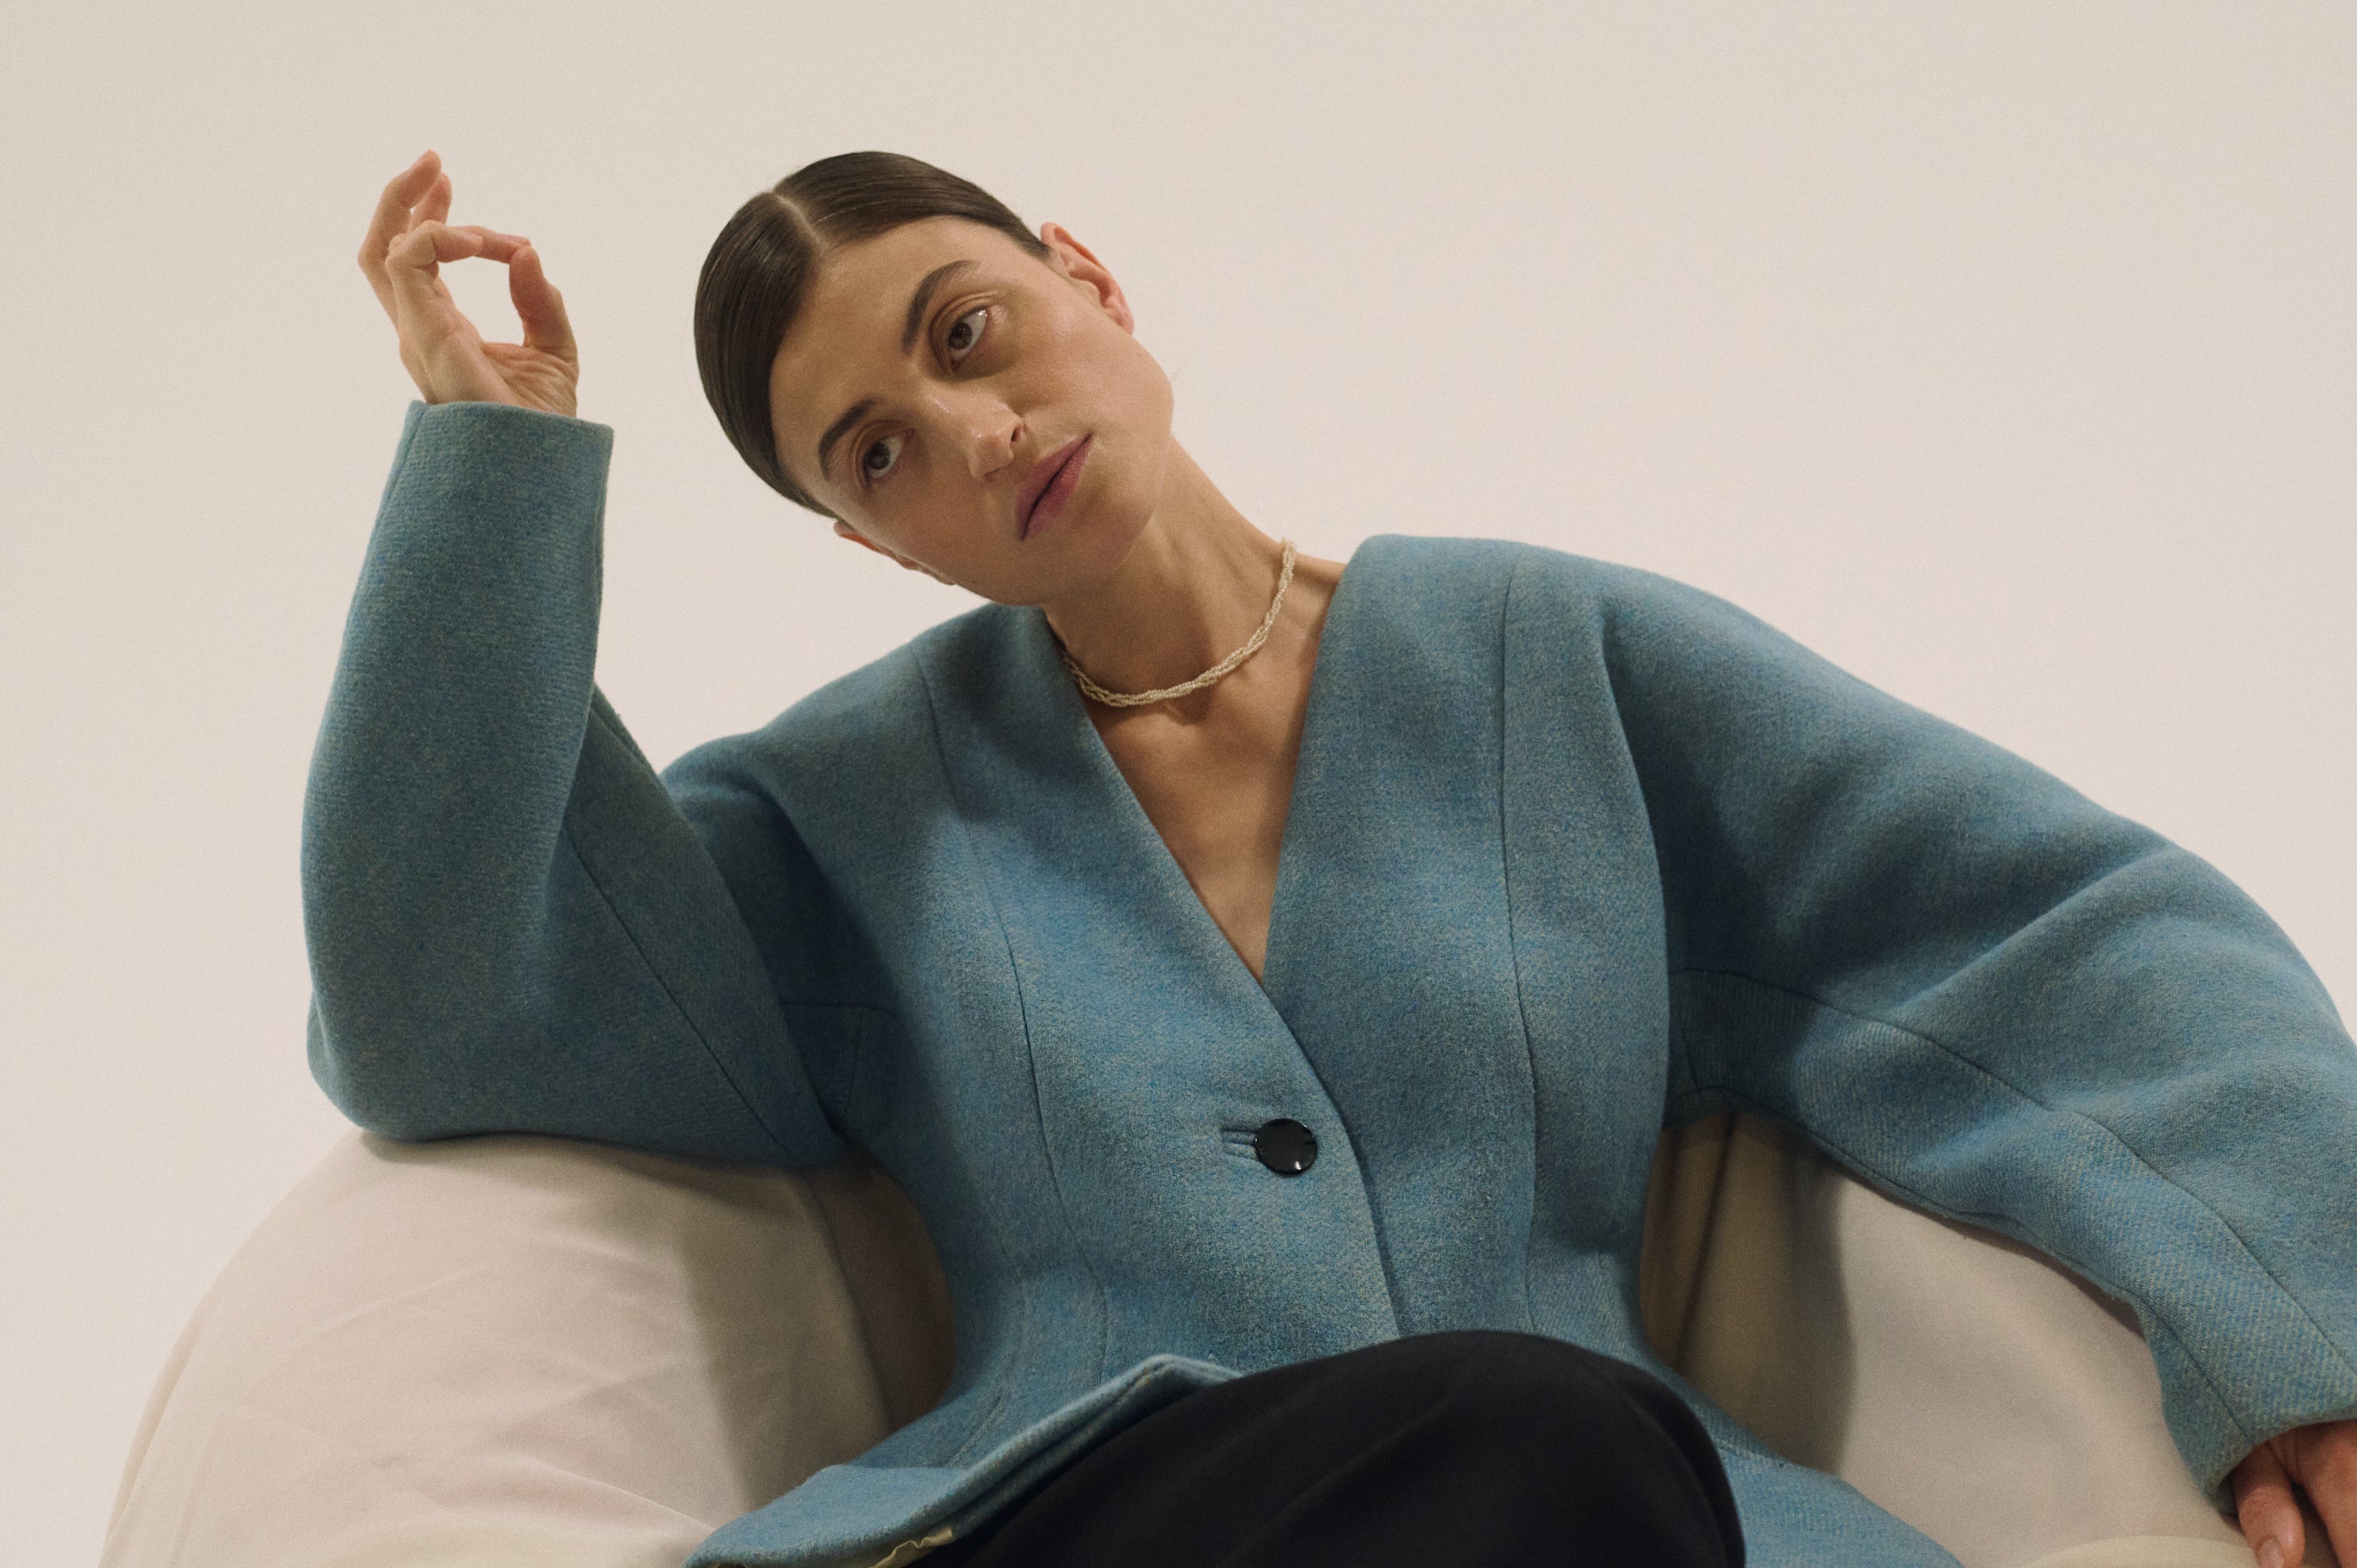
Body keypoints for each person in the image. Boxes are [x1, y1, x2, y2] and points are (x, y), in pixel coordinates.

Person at [314, 145, 2357, 1568]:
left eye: (969, 331)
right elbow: (442, 1006)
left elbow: (2046, 936)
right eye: (879, 455)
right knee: (1544, 1431)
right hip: (1096, 1515)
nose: (972, 433)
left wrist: (2299, 1348)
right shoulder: (849, 817)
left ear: (1087, 277)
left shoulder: (1555, 662)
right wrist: (497, 467)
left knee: (1569, 1455)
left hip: (1598, 1512)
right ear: (875, 545)